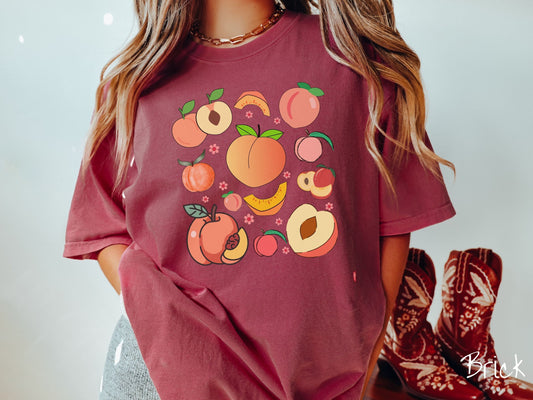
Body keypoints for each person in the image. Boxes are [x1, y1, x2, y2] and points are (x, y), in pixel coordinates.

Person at [63, 0, 456, 399]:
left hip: (319, 382)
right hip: (159, 375)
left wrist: (367, 353)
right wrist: (165, 318)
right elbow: (100, 227)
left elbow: (393, 224)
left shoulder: (354, 59)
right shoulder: (138, 81)